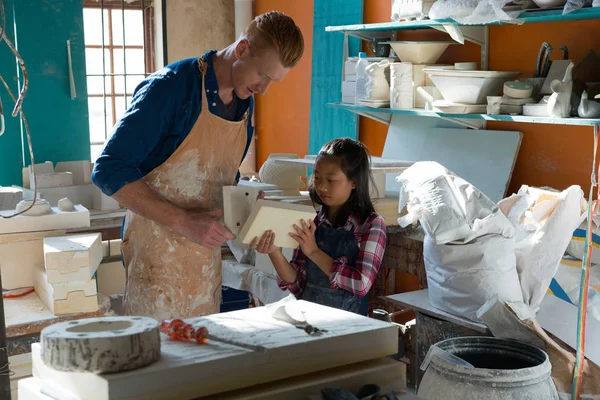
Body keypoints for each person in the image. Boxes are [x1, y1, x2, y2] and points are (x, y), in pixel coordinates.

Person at [91, 11, 304, 321]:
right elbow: (108, 169)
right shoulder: (171, 88)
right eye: (263, 75)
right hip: (156, 258)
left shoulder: (244, 104)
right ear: (242, 49)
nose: (265, 88)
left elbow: (218, 178)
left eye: (273, 81)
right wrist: (183, 222)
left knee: (200, 357)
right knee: (161, 358)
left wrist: (247, 205)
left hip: (205, 260)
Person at [250, 138, 387, 315]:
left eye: (331, 180)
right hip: (309, 321)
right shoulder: (313, 220)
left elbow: (360, 284)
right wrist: (274, 252)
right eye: (317, 177)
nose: (321, 186)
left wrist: (314, 252)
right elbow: (297, 284)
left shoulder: (371, 225)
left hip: (349, 328)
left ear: (354, 182)